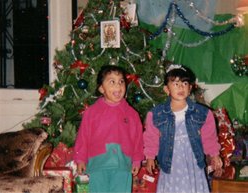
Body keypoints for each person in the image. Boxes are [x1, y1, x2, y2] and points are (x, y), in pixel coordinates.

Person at [143, 64, 223, 193]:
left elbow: (209, 137)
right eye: (175, 83)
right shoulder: (156, 114)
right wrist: (150, 157)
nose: (181, 87)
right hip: (170, 163)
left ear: (190, 87)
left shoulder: (202, 113)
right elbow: (151, 138)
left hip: (193, 161)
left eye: (185, 83)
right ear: (166, 89)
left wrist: (214, 155)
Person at [73, 65, 144, 193]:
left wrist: (137, 160)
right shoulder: (92, 112)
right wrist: (80, 159)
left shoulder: (131, 114)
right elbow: (83, 137)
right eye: (112, 82)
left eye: (121, 82)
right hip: (98, 164)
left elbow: (138, 139)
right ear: (101, 88)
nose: (118, 86)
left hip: (123, 164)